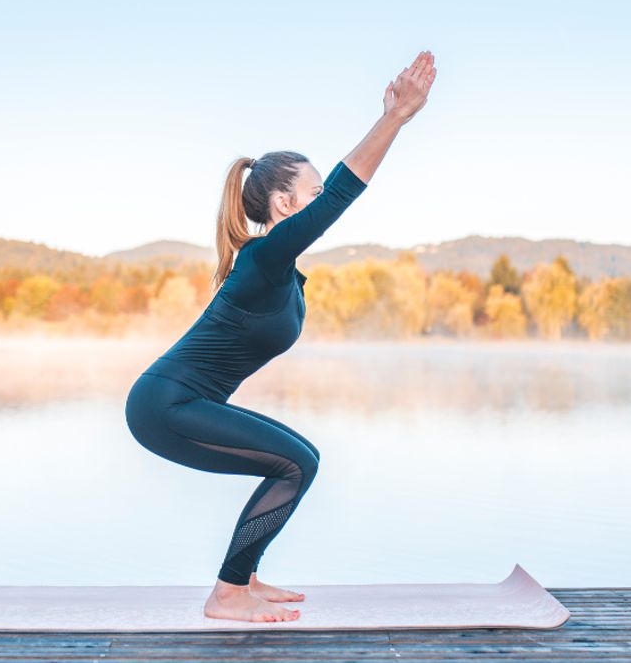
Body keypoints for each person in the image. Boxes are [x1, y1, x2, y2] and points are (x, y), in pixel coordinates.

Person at [125, 51, 437, 623]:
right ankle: (227, 594)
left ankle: (241, 578)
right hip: (163, 405)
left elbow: (334, 195)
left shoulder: (279, 269)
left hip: (176, 403)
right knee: (294, 463)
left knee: (302, 458)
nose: (320, 203)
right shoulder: (266, 255)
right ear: (283, 205)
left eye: (318, 194)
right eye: (311, 194)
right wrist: (393, 119)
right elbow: (347, 190)